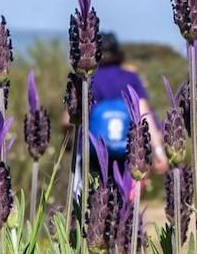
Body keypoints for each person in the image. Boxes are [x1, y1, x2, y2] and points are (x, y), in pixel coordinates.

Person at [66, 32, 168, 199]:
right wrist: (158, 151)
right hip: (125, 152)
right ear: (118, 53)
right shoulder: (130, 78)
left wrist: (68, 139)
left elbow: (68, 117)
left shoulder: (87, 80)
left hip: (89, 154)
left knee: (86, 204)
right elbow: (143, 114)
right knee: (122, 204)